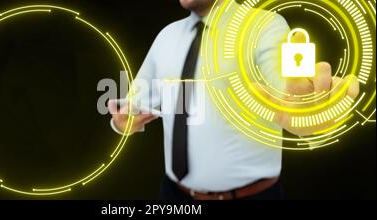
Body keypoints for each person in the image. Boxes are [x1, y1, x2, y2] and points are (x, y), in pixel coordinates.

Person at [107, 0, 359, 200]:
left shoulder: (265, 27)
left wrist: (305, 109)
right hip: (173, 196)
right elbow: (133, 105)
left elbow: (284, 88)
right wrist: (121, 122)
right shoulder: (166, 37)